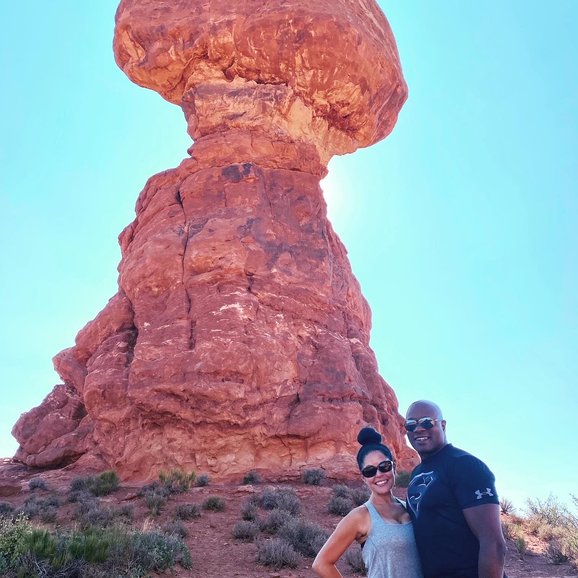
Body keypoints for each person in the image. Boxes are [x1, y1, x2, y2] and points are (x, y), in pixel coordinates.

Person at [405, 400, 507, 578]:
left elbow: (494, 544)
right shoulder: (416, 473)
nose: (419, 429)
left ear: (443, 425)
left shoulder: (464, 465)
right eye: (411, 424)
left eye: (427, 422)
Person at [313, 427, 423, 578]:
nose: (379, 475)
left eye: (384, 466)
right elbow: (321, 564)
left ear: (394, 467)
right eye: (370, 471)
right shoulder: (360, 516)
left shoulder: (409, 507)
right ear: (363, 478)